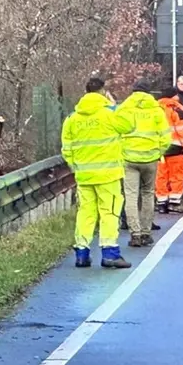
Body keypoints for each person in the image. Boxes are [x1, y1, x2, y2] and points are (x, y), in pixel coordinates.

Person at [61, 77, 133, 268]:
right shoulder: (109, 113)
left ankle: (82, 254)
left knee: (85, 213)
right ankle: (110, 253)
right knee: (109, 212)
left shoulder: (72, 118)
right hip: (108, 175)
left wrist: (76, 167)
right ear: (103, 92)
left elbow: (66, 149)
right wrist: (114, 105)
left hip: (84, 176)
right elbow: (129, 126)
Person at [116, 82, 171, 247]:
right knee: (148, 194)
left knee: (131, 196)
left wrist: (121, 152)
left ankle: (135, 234)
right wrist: (158, 152)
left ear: (132, 93)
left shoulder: (124, 109)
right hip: (150, 159)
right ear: (148, 93)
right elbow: (166, 137)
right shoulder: (156, 111)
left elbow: (115, 132)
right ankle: (147, 233)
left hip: (129, 159)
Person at [155, 86, 183, 214]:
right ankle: (174, 203)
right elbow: (182, 132)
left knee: (161, 176)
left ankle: (161, 202)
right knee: (177, 176)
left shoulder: (154, 110)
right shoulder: (175, 110)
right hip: (176, 149)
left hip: (158, 149)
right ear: (173, 96)